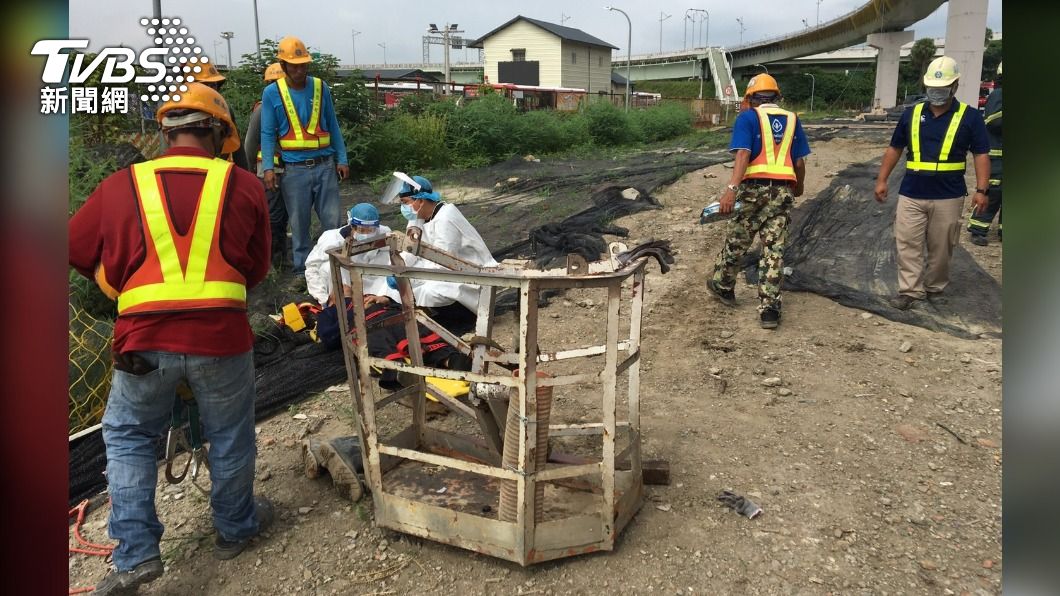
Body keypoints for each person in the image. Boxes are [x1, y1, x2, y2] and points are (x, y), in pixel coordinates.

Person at [68, 83, 274, 594]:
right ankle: (235, 528)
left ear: (165, 134)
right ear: (221, 133)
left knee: (130, 437)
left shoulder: (122, 184)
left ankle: (136, 556)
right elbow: (258, 268)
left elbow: (72, 246)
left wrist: (113, 279)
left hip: (141, 341)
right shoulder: (244, 186)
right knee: (229, 434)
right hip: (222, 339)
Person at [874, 56, 991, 310]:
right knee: (907, 243)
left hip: (948, 195)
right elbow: (894, 148)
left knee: (942, 246)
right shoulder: (911, 115)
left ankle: (934, 288)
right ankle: (910, 291)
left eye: (942, 88)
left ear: (955, 85)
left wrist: (982, 190)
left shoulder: (970, 117)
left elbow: (981, 154)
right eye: (932, 88)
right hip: (912, 192)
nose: (936, 93)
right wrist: (882, 179)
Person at [705, 74, 810, 329]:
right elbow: (798, 162)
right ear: (777, 96)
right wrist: (799, 186)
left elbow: (743, 153)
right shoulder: (793, 120)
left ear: (750, 98)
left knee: (738, 240)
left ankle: (723, 285)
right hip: (782, 192)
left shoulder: (748, 117)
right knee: (773, 250)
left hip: (753, 191)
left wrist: (731, 189)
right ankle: (769, 311)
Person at [260, 36, 350, 274]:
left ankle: (335, 268)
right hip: (294, 170)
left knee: (332, 222)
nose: (300, 69)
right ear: (283, 64)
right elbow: (267, 133)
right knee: (299, 226)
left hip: (325, 165)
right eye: (294, 65)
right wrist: (268, 168)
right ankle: (304, 271)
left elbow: (333, 125)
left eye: (303, 64)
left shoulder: (320, 87)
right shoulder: (272, 93)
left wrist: (342, 158)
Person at [381, 172, 499, 329]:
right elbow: (411, 249)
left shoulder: (446, 217)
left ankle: (464, 317)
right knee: (396, 285)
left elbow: (445, 261)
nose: (403, 207)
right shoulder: (417, 218)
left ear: (421, 200)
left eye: (405, 202)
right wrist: (398, 268)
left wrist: (411, 277)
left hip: (470, 274)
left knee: (430, 291)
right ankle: (429, 318)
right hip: (443, 269)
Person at [304, 202, 393, 310]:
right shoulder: (331, 239)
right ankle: (341, 305)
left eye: (370, 230)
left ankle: (380, 300)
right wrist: (323, 299)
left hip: (369, 277)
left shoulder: (383, 232)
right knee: (327, 267)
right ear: (352, 226)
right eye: (361, 230)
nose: (366, 234)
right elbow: (312, 268)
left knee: (390, 258)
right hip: (346, 281)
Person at [245, 62, 289, 270]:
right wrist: (249, 172)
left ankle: (281, 257)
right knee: (273, 216)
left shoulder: (289, 105)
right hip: (268, 172)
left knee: (284, 216)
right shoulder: (263, 109)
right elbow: (250, 143)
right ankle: (272, 261)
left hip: (288, 170)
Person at [967, 61, 1002, 246]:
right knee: (993, 192)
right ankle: (978, 229)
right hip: (997, 158)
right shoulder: (998, 95)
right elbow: (993, 121)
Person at [194, 62, 252, 173]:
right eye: (207, 85)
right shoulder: (181, 113)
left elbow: (237, 147)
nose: (211, 90)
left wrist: (246, 173)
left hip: (219, 171)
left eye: (213, 85)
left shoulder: (224, 110)